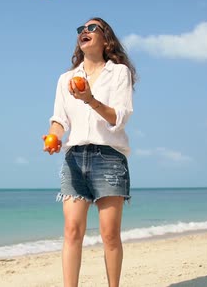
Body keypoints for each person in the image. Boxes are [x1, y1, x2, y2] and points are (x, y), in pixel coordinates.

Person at [43, 17, 137, 287]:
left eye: (92, 28)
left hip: (108, 158)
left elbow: (117, 118)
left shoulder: (118, 73)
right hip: (74, 158)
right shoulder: (66, 79)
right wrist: (54, 138)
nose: (84, 31)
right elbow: (59, 119)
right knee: (72, 231)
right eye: (81, 29)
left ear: (106, 40)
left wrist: (90, 100)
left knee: (110, 235)